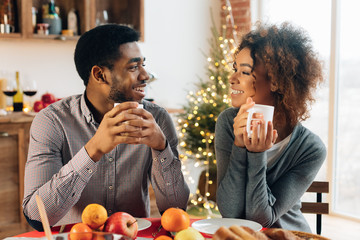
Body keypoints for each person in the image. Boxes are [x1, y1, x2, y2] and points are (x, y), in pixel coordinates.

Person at [23, 24, 190, 230]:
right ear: (99, 75)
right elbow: (37, 217)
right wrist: (93, 150)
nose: (145, 75)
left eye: (143, 65)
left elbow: (176, 210)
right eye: (133, 67)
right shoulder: (51, 122)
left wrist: (161, 148)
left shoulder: (157, 119)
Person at [215, 22, 326, 232]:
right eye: (234, 69)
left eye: (245, 72)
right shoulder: (228, 124)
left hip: (288, 236)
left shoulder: (311, 148)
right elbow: (229, 212)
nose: (232, 79)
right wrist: (239, 146)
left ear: (275, 81)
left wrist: (257, 155)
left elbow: (262, 219)